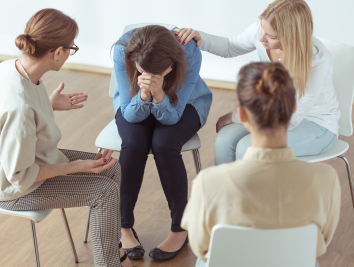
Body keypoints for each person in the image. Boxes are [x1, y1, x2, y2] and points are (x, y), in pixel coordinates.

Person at [0, 9, 134, 267]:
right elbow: (19, 175)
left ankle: (112, 250)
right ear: (57, 52)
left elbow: (22, 120)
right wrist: (77, 167)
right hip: (13, 187)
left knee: (111, 168)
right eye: (71, 48)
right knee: (104, 192)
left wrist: (48, 105)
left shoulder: (12, 68)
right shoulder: (19, 107)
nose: (70, 53)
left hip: (35, 159)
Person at [181, 62, 341, 267]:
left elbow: (201, 247)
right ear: (293, 108)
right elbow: (320, 244)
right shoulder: (326, 179)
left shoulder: (207, 183)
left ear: (243, 114)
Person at [177, 0, 340, 165]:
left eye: (271, 36)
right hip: (273, 111)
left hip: (317, 125)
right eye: (262, 28)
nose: (261, 38)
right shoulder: (262, 32)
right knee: (223, 141)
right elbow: (229, 46)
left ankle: (254, 190)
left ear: (291, 37)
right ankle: (227, 190)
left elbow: (290, 118)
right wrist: (199, 37)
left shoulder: (318, 61)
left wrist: (237, 116)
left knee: (247, 148)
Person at [112, 25, 212, 261]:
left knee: (165, 142)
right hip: (133, 104)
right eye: (143, 70)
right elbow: (129, 114)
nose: (148, 75)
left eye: (157, 72)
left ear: (171, 65)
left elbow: (172, 117)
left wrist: (158, 95)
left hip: (186, 104)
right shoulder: (122, 50)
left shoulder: (188, 52)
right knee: (134, 142)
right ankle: (123, 227)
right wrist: (145, 95)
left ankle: (180, 229)